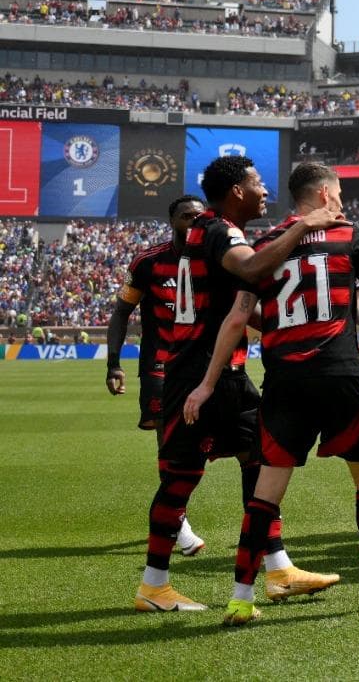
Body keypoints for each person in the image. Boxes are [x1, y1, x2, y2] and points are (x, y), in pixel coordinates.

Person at [183, 162, 359, 624]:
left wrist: (207, 382)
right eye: (337, 194)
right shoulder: (350, 236)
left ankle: (241, 597)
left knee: (266, 492)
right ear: (322, 196)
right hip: (340, 374)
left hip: (284, 380)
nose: (340, 202)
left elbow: (237, 319)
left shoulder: (263, 246)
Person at [135, 155, 333, 614]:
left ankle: (279, 569)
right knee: (181, 479)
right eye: (258, 182)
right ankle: (154, 586)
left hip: (227, 373)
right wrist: (303, 227)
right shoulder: (219, 229)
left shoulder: (207, 231)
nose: (265, 190)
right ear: (237, 191)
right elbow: (250, 268)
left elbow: (240, 308)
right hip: (199, 374)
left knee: (261, 462)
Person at [105, 195, 208, 559]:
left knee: (208, 447)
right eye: (185, 216)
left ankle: (175, 514)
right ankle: (180, 525)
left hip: (204, 369)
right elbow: (121, 313)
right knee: (169, 445)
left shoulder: (216, 259)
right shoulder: (148, 262)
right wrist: (113, 363)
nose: (193, 221)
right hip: (160, 369)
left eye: (199, 216)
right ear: (172, 221)